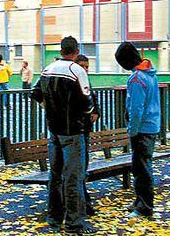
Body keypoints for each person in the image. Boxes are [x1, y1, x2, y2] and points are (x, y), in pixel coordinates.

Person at [31, 36, 96, 235]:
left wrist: (50, 109)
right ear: (76, 51)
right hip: (73, 131)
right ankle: (74, 224)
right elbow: (87, 103)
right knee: (74, 177)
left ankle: (54, 219)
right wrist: (82, 115)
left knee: (55, 175)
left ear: (61, 50)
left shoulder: (47, 69)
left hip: (54, 130)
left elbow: (35, 93)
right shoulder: (76, 71)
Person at [114, 42, 161, 218]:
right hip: (152, 125)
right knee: (142, 166)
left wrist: (131, 130)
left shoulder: (136, 79)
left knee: (142, 169)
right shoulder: (150, 73)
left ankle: (144, 207)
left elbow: (136, 109)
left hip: (142, 129)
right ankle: (139, 201)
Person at [75, 54, 100, 216]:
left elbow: (92, 98)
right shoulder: (73, 80)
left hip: (85, 128)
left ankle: (84, 199)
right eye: (82, 66)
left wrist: (96, 111)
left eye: (87, 66)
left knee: (83, 164)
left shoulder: (85, 80)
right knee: (79, 165)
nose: (85, 69)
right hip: (77, 128)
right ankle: (83, 201)